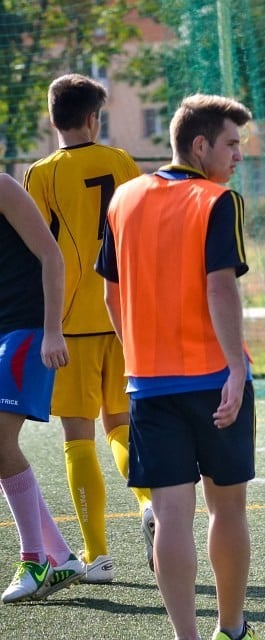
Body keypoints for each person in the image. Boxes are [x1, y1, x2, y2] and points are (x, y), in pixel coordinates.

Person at [95, 94, 258, 640]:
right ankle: (230, 630)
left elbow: (110, 296)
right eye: (231, 144)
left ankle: (184, 636)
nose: (238, 155)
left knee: (169, 514)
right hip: (214, 381)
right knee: (227, 508)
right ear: (199, 145)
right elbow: (220, 287)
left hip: (148, 383)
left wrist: (137, 352)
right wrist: (235, 368)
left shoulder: (124, 199)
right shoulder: (218, 201)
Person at [23, 73, 152, 584]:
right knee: (120, 423)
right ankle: (148, 502)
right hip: (122, 315)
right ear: (95, 117)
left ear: (51, 118)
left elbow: (37, 250)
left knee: (77, 437)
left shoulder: (42, 173)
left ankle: (97, 556)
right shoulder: (122, 162)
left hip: (70, 322)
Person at [0, 174, 85, 604]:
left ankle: (35, 561)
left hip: (27, 330)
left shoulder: (2, 187)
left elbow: (52, 258)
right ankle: (60, 556)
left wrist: (54, 331)